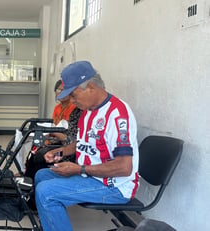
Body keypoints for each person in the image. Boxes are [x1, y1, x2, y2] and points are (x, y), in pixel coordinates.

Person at [35, 61, 139, 231]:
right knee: (42, 175)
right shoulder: (89, 111)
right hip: (91, 176)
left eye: (74, 95)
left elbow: (124, 167)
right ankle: (51, 225)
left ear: (90, 87)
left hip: (114, 186)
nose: (72, 101)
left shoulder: (117, 115)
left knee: (46, 193)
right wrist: (60, 151)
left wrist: (79, 169)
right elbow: (83, 143)